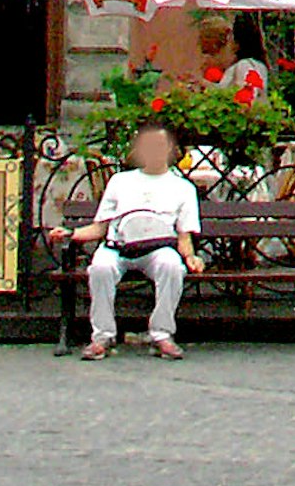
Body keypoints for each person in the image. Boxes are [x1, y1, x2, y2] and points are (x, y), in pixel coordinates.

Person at [72, 120, 203, 359]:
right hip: (118, 246)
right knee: (100, 267)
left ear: (171, 150)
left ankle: (162, 334)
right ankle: (102, 336)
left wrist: (191, 257)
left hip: (157, 247)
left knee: (172, 265)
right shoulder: (120, 181)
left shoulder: (183, 188)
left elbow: (184, 236)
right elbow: (100, 227)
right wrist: (71, 234)